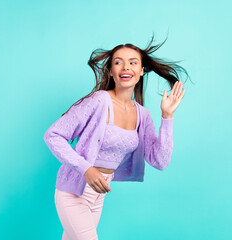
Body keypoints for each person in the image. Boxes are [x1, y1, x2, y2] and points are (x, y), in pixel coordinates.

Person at [43, 35, 189, 240]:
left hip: (98, 196)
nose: (125, 67)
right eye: (118, 62)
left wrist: (167, 116)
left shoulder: (142, 115)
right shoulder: (99, 100)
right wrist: (86, 169)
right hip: (73, 192)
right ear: (111, 71)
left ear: (141, 70)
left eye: (133, 63)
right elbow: (53, 135)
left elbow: (160, 161)